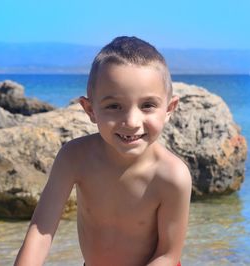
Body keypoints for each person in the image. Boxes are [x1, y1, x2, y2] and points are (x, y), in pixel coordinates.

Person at [14, 36, 192, 266]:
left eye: (147, 105)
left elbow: (168, 255)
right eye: (114, 106)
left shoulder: (172, 176)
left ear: (169, 109)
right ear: (90, 110)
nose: (131, 121)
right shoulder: (75, 157)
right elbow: (40, 231)